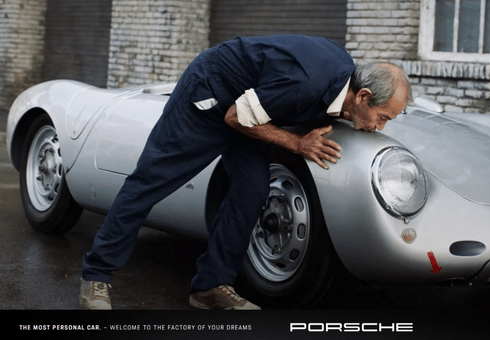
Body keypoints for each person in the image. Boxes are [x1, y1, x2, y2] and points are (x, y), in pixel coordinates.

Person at [79, 34, 411, 310]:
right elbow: (235, 118)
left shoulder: (344, 80)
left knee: (252, 190)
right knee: (151, 181)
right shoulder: (307, 82)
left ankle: (209, 287)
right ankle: (96, 275)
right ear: (363, 96)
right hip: (209, 96)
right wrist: (297, 144)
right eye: (383, 117)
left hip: (250, 108)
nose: (381, 126)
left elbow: (263, 108)